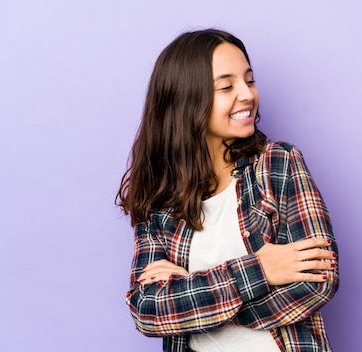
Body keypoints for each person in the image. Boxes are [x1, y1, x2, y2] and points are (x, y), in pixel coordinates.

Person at [116, 29, 339, 352]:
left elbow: (318, 279)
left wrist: (192, 289)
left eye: (249, 80)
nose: (247, 94)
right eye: (227, 86)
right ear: (186, 100)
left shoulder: (278, 164)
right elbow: (147, 311)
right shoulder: (160, 200)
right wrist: (262, 269)